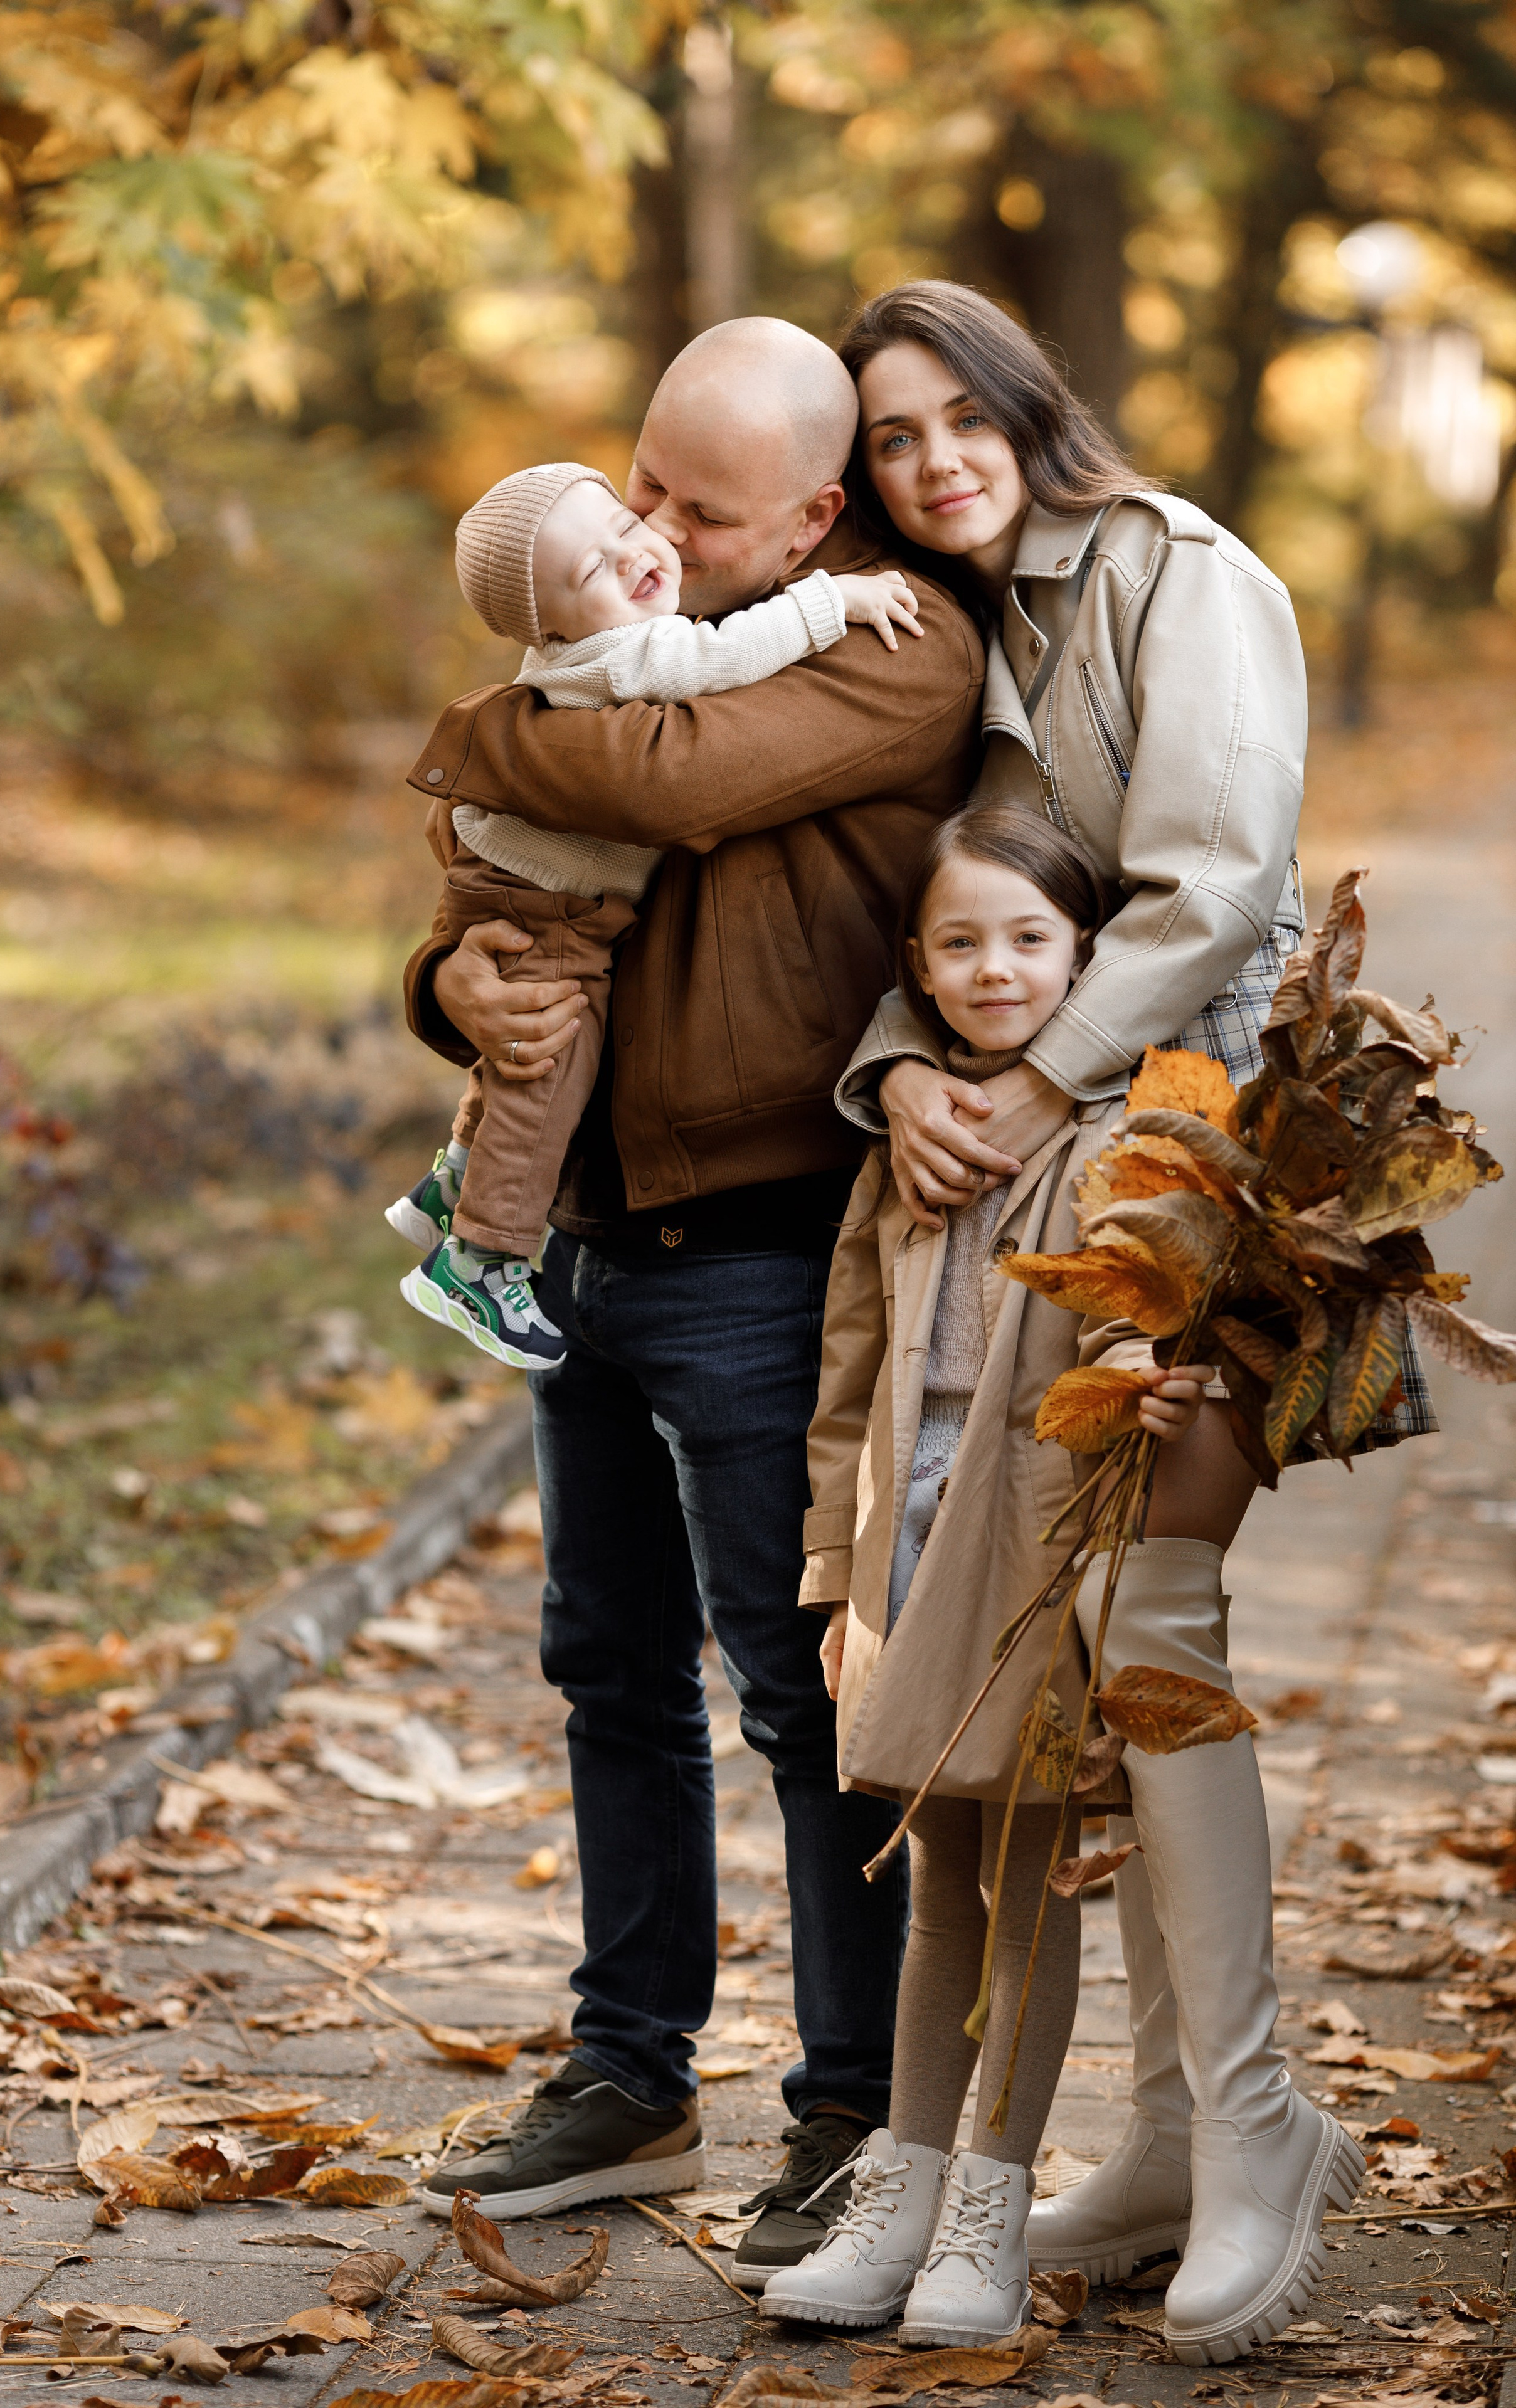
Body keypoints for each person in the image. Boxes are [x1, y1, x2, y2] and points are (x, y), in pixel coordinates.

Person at [824, 279, 1397, 2363]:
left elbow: (1217, 883)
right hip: (1082, 1142)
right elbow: (988, 887)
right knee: (1100, 1629)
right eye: (885, 444)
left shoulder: (1180, 573)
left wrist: (1035, 1080)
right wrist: (909, 1064)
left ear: (1018, 400)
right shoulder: (1005, 631)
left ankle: (1257, 2135)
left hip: (1210, 1148)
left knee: (1150, 1618)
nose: (927, 461)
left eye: (945, 416)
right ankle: (1164, 2139)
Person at [400, 315, 988, 2281]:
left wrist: (464, 728)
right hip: (587, 1238)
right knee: (606, 1674)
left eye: (700, 507)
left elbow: (665, 774)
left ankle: (855, 2112)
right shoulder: (620, 626)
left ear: (817, 515)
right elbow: (509, 877)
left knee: (806, 1697)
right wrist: (447, 984)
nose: (646, 525)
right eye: (638, 480)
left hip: (766, 1257)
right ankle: (630, 2068)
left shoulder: (890, 648)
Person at [758, 805, 1242, 2343]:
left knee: (1026, 1878)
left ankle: (987, 2209)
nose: (993, 970)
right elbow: (847, 1375)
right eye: (959, 943)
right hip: (908, 1527)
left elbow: (1127, 1304)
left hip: (1035, 1523)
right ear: (917, 963)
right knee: (934, 1880)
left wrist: (1142, 1378)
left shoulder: (1125, 1135)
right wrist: (836, 1582)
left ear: (1083, 957)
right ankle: (899, 2197)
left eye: (1028, 940)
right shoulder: (907, 1146)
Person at [386, 459, 921, 1372]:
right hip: (548, 911)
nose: (647, 545)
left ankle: (456, 1184)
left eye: (623, 527)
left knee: (529, 1057)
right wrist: (831, 605)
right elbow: (713, 665)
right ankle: (482, 1259)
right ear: (551, 623)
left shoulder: (573, 656)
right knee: (552, 1065)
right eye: (595, 567)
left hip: (518, 887)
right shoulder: (630, 654)